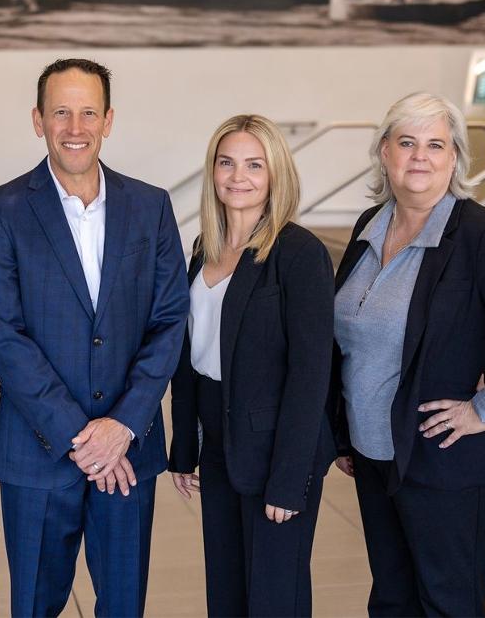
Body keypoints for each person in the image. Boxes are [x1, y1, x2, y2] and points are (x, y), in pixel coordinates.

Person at [332, 92, 485, 617]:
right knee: (392, 600)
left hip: (444, 459)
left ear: (454, 157)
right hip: (374, 456)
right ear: (385, 152)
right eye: (407, 143)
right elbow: (350, 340)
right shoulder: (371, 225)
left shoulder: (481, 234)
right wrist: (343, 432)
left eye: (436, 145)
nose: (420, 156)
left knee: (447, 605)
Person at [0, 58, 189, 617]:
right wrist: (81, 437)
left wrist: (121, 425)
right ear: (38, 120)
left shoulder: (151, 206)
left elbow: (169, 321)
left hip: (128, 449)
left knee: (123, 606)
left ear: (108, 120)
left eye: (89, 113)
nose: (75, 127)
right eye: (61, 112)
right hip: (38, 453)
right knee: (35, 605)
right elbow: (4, 336)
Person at [168, 114, 336, 617]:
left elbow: (311, 375)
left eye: (254, 165)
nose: (238, 176)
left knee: (273, 599)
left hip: (277, 450)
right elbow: (190, 359)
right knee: (226, 594)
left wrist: (288, 479)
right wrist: (184, 448)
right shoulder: (204, 250)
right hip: (220, 443)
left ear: (275, 173)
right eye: (227, 163)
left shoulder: (299, 253)